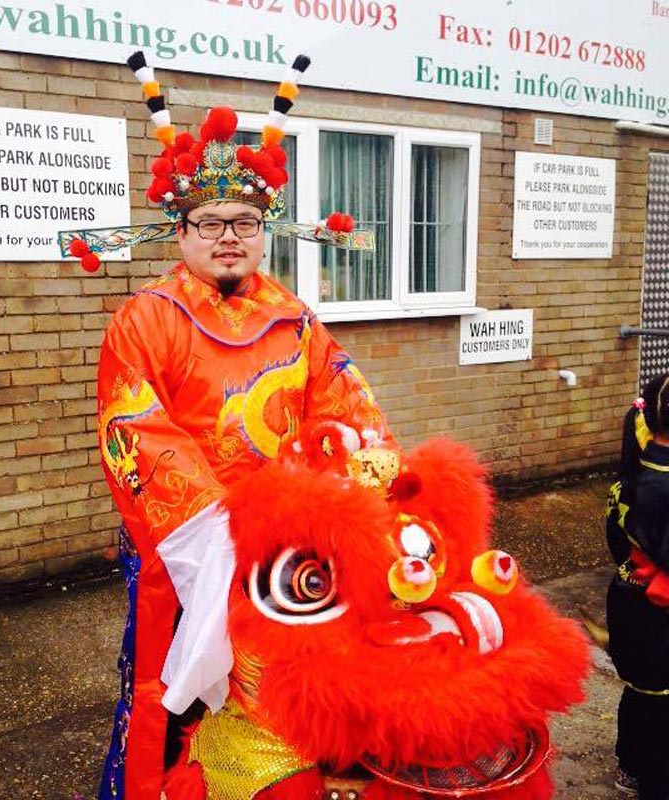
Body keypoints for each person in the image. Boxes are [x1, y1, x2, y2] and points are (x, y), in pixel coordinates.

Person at [83, 52, 395, 800]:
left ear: (265, 230)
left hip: (284, 550)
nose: (229, 236)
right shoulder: (145, 320)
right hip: (190, 546)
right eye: (210, 223)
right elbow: (137, 429)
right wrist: (220, 536)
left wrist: (371, 489)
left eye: (246, 223)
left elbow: (346, 407)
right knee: (175, 686)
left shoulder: (296, 320)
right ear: (181, 230)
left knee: (280, 693)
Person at [606, 372, 669, 799]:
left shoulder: (631, 471)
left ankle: (629, 765)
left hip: (628, 592)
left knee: (640, 689)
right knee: (660, 701)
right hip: (659, 610)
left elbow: (616, 540)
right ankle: (654, 781)